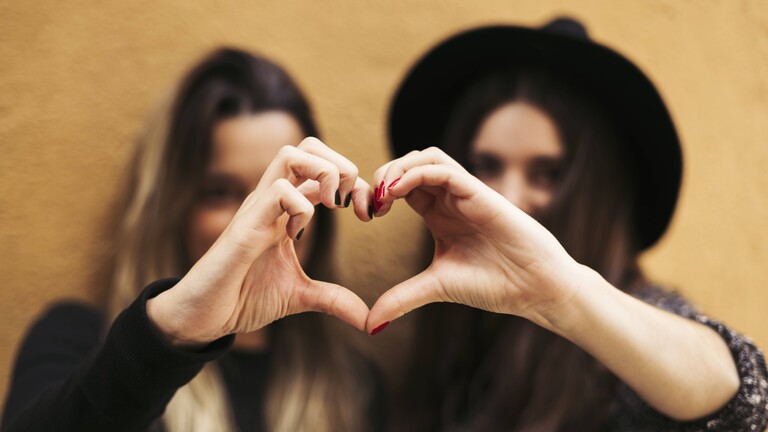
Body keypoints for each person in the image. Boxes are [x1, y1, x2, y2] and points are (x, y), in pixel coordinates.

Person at [367, 17, 768, 431]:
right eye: (487, 166)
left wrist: (565, 294)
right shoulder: (455, 334)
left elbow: (737, 395)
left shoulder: (630, 329)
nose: (509, 196)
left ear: (594, 192)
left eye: (547, 173)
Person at [2, 48, 383, 432]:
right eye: (220, 192)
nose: (264, 213)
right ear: (172, 207)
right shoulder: (79, 343)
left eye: (292, 187)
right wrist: (172, 331)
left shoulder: (353, 383)